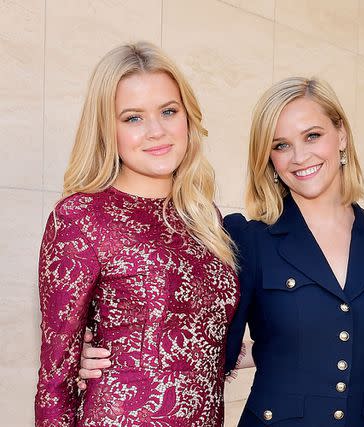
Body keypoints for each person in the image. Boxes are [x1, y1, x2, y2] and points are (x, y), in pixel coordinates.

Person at [80, 76, 364, 426]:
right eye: (280, 145)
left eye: (312, 136)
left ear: (340, 135)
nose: (299, 157)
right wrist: (108, 357)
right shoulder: (248, 239)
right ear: (268, 158)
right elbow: (210, 343)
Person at [35, 42, 239, 426]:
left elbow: (203, 341)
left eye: (168, 111)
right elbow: (54, 379)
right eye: (132, 118)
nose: (156, 131)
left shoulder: (205, 217)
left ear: (187, 116)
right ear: (106, 128)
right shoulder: (82, 216)